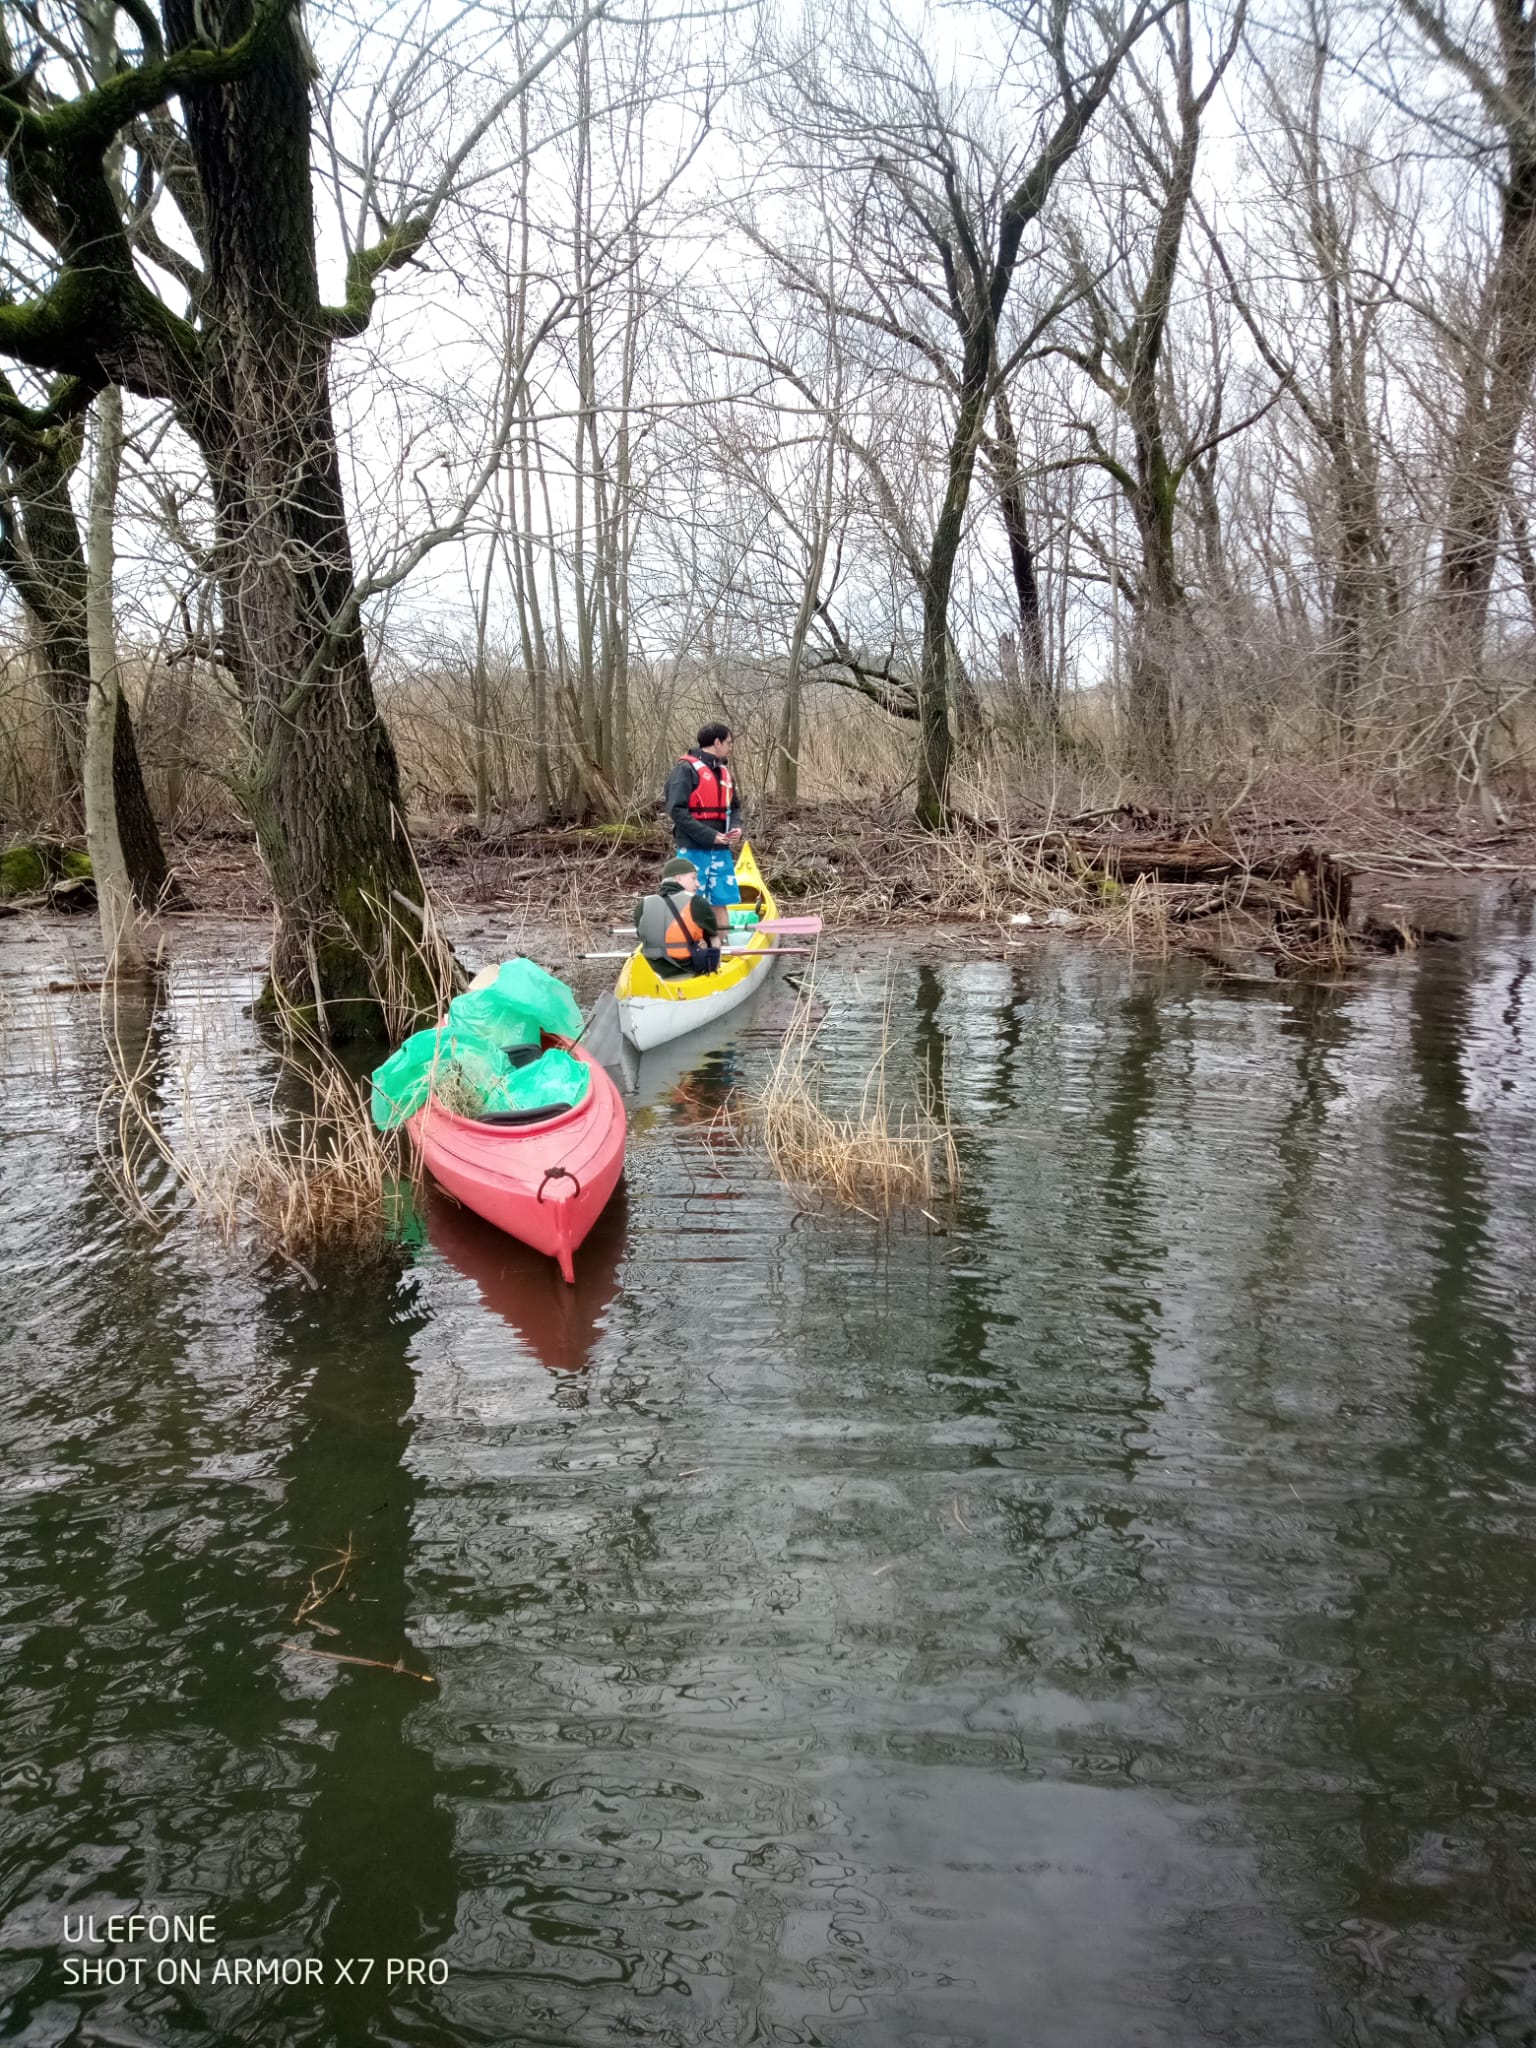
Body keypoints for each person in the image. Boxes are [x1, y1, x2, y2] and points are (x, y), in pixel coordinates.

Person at [665, 722, 743, 907]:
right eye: (729, 743)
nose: (730, 747)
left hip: (721, 850)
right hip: (693, 848)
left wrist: (736, 827)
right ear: (717, 742)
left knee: (721, 903)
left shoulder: (724, 773)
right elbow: (676, 810)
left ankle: (720, 937)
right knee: (690, 903)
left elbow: (735, 807)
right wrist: (710, 836)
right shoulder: (685, 770)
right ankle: (692, 936)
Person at [634, 856, 722, 978]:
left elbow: (643, 938)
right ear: (679, 878)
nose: (697, 884)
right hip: (685, 972)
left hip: (651, 973)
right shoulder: (697, 903)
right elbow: (714, 942)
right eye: (693, 878)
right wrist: (717, 970)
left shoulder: (642, 905)